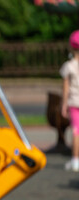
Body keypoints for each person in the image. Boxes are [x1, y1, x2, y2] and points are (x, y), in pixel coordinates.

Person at [61, 29, 79, 172]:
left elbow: (66, 89)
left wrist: (63, 105)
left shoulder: (69, 66)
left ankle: (75, 160)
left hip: (74, 102)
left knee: (76, 131)